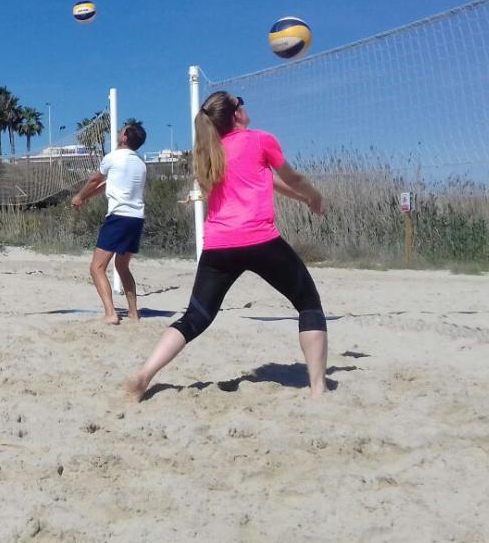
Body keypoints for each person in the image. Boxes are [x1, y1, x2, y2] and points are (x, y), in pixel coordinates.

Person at [126, 92, 329, 401]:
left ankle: (144, 374)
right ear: (236, 114)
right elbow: (294, 176)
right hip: (261, 241)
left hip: (219, 246)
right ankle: (318, 388)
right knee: (308, 303)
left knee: (194, 318)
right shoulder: (261, 140)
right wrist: (314, 197)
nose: (246, 106)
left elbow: (265, 180)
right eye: (241, 102)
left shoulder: (210, 153)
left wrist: (301, 199)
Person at [71, 122, 148, 324]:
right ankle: (133, 313)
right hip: (136, 218)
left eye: (123, 129)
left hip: (118, 218)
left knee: (96, 268)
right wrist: (85, 198)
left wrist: (79, 196)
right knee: (122, 267)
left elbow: (95, 180)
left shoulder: (113, 157)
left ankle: (110, 313)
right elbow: (107, 185)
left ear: (125, 138)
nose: (120, 131)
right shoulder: (140, 164)